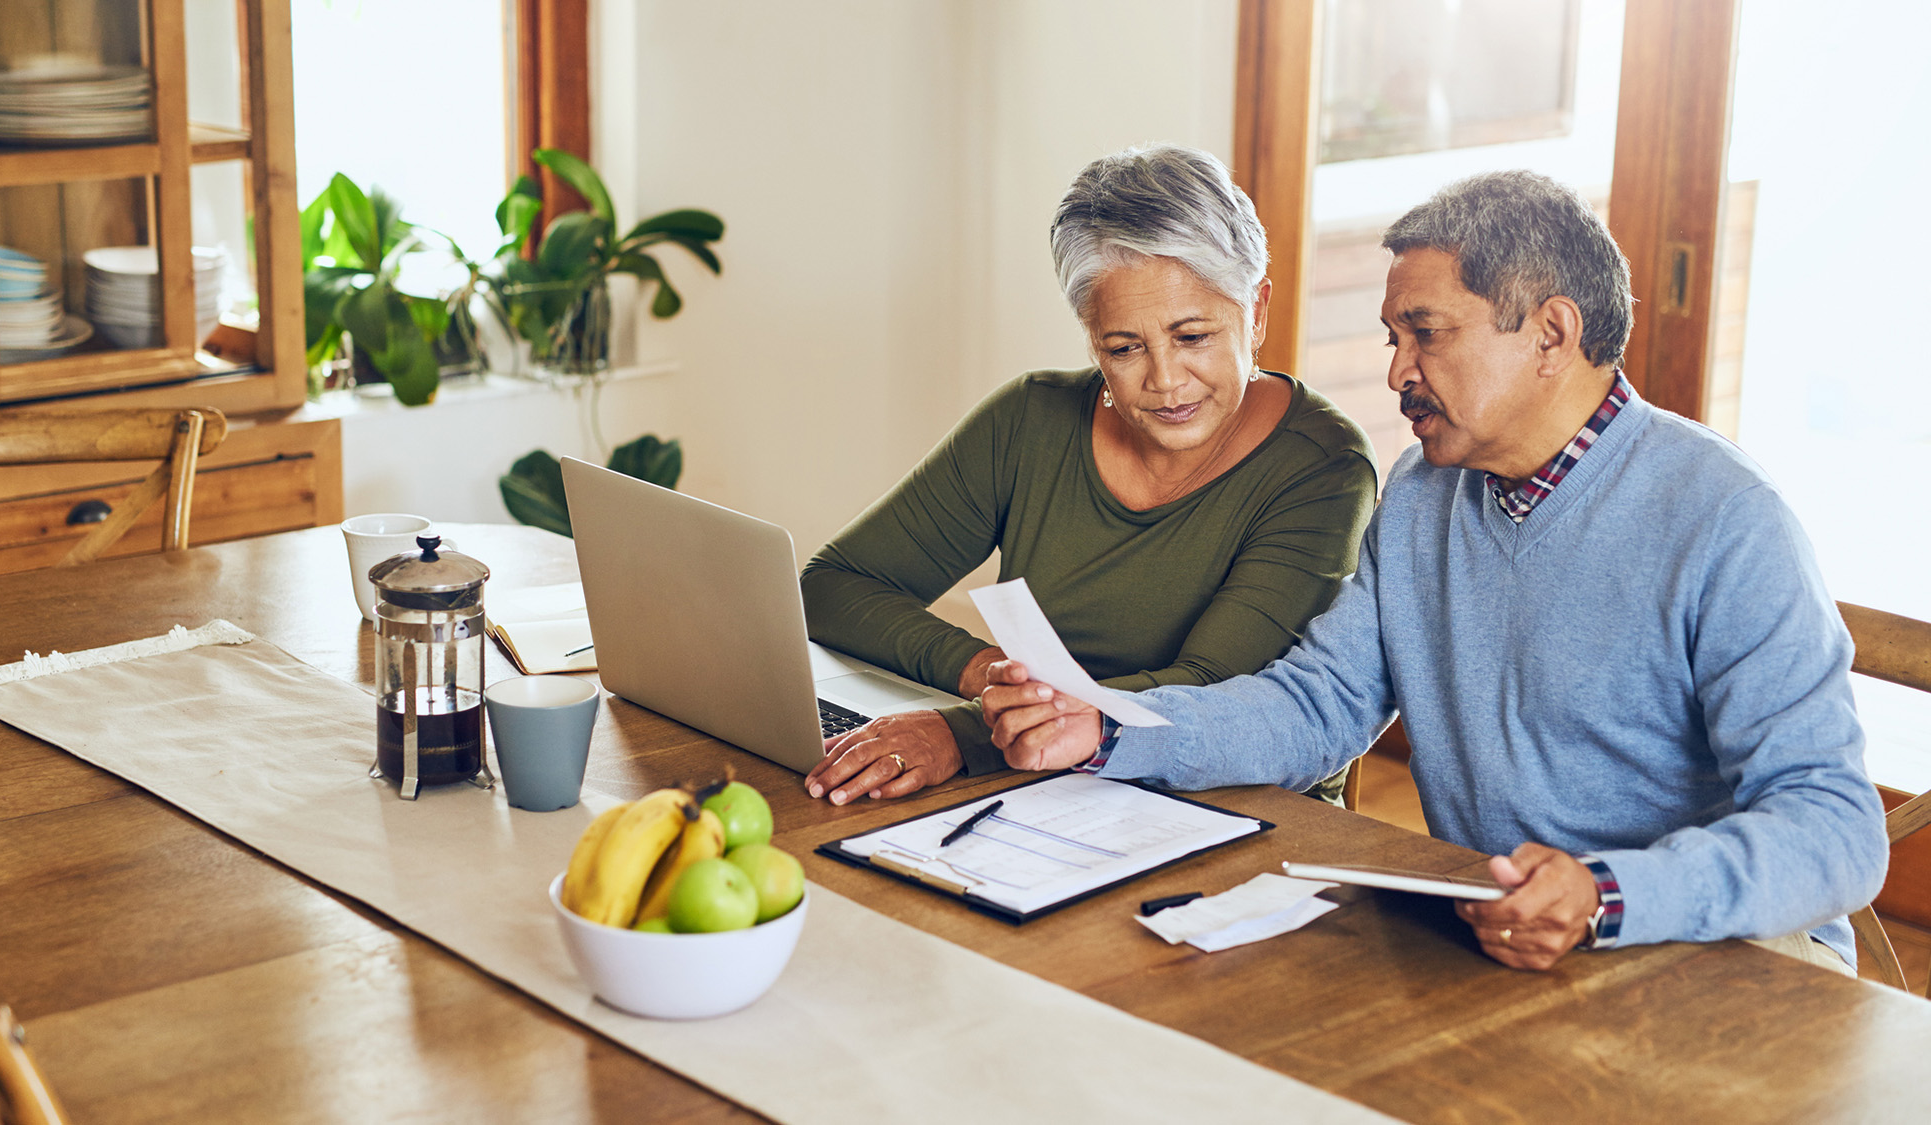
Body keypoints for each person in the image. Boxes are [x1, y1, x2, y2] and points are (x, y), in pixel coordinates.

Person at [980, 170, 1888, 974]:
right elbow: (1318, 704)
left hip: (1725, 961)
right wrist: (1106, 729)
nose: (1396, 372)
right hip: (1507, 945)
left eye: (1426, 334)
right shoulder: (1423, 493)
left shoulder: (1726, 519)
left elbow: (1836, 832)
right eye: (1391, 338)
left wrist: (1607, 895)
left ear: (1552, 332)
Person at [799, 144, 1377, 807]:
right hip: (1045, 794)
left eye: (1193, 337)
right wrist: (990, 677)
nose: (1164, 381)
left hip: (1232, 810)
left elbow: (1213, 692)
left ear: (1257, 311)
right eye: (1123, 347)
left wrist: (967, 734)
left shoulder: (1323, 466)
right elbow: (834, 587)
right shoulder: (1031, 419)